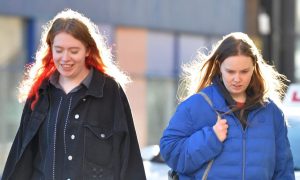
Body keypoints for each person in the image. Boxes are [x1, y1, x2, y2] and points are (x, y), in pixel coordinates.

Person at [2, 9, 146, 180]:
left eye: (74, 51)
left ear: (87, 50)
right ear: (51, 50)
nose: (65, 58)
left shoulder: (109, 91)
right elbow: (22, 154)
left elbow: (129, 157)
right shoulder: (40, 92)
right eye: (59, 50)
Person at [160, 32, 295, 179]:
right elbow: (170, 152)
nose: (237, 79)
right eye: (230, 71)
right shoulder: (197, 105)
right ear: (219, 66)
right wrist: (211, 138)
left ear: (254, 68)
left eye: (244, 71)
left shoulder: (271, 112)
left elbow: (284, 171)